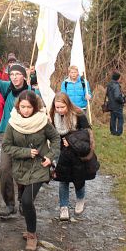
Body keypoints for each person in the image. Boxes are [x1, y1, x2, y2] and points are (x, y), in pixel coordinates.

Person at [0, 47, 42, 218]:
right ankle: (10, 205)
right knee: (5, 169)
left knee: (24, 172)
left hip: (26, 136)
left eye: (18, 74)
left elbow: (42, 112)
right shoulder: (6, 88)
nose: (15, 77)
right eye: (12, 75)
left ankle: (24, 201)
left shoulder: (33, 93)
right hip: (6, 134)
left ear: (24, 76)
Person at [1, 91, 60, 251]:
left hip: (39, 168)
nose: (25, 110)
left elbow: (55, 138)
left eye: (29, 107)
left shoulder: (42, 122)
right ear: (18, 107)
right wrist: (25, 152)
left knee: (27, 201)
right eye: (23, 107)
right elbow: (6, 146)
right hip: (20, 168)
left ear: (35, 107)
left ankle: (32, 234)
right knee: (25, 201)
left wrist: (50, 156)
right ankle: (29, 227)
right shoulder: (13, 123)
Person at [49, 92, 95, 220]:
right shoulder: (53, 115)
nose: (59, 110)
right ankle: (63, 207)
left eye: (62, 107)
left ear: (68, 105)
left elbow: (87, 133)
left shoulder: (79, 114)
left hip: (76, 151)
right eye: (57, 107)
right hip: (61, 151)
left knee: (78, 176)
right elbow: (52, 133)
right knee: (62, 178)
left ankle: (80, 199)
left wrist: (71, 140)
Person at [105, 71, 126, 136]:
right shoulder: (116, 85)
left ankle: (113, 132)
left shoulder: (109, 84)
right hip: (117, 106)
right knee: (121, 119)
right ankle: (118, 133)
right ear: (118, 78)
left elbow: (107, 94)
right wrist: (122, 100)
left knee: (113, 118)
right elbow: (117, 96)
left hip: (111, 105)